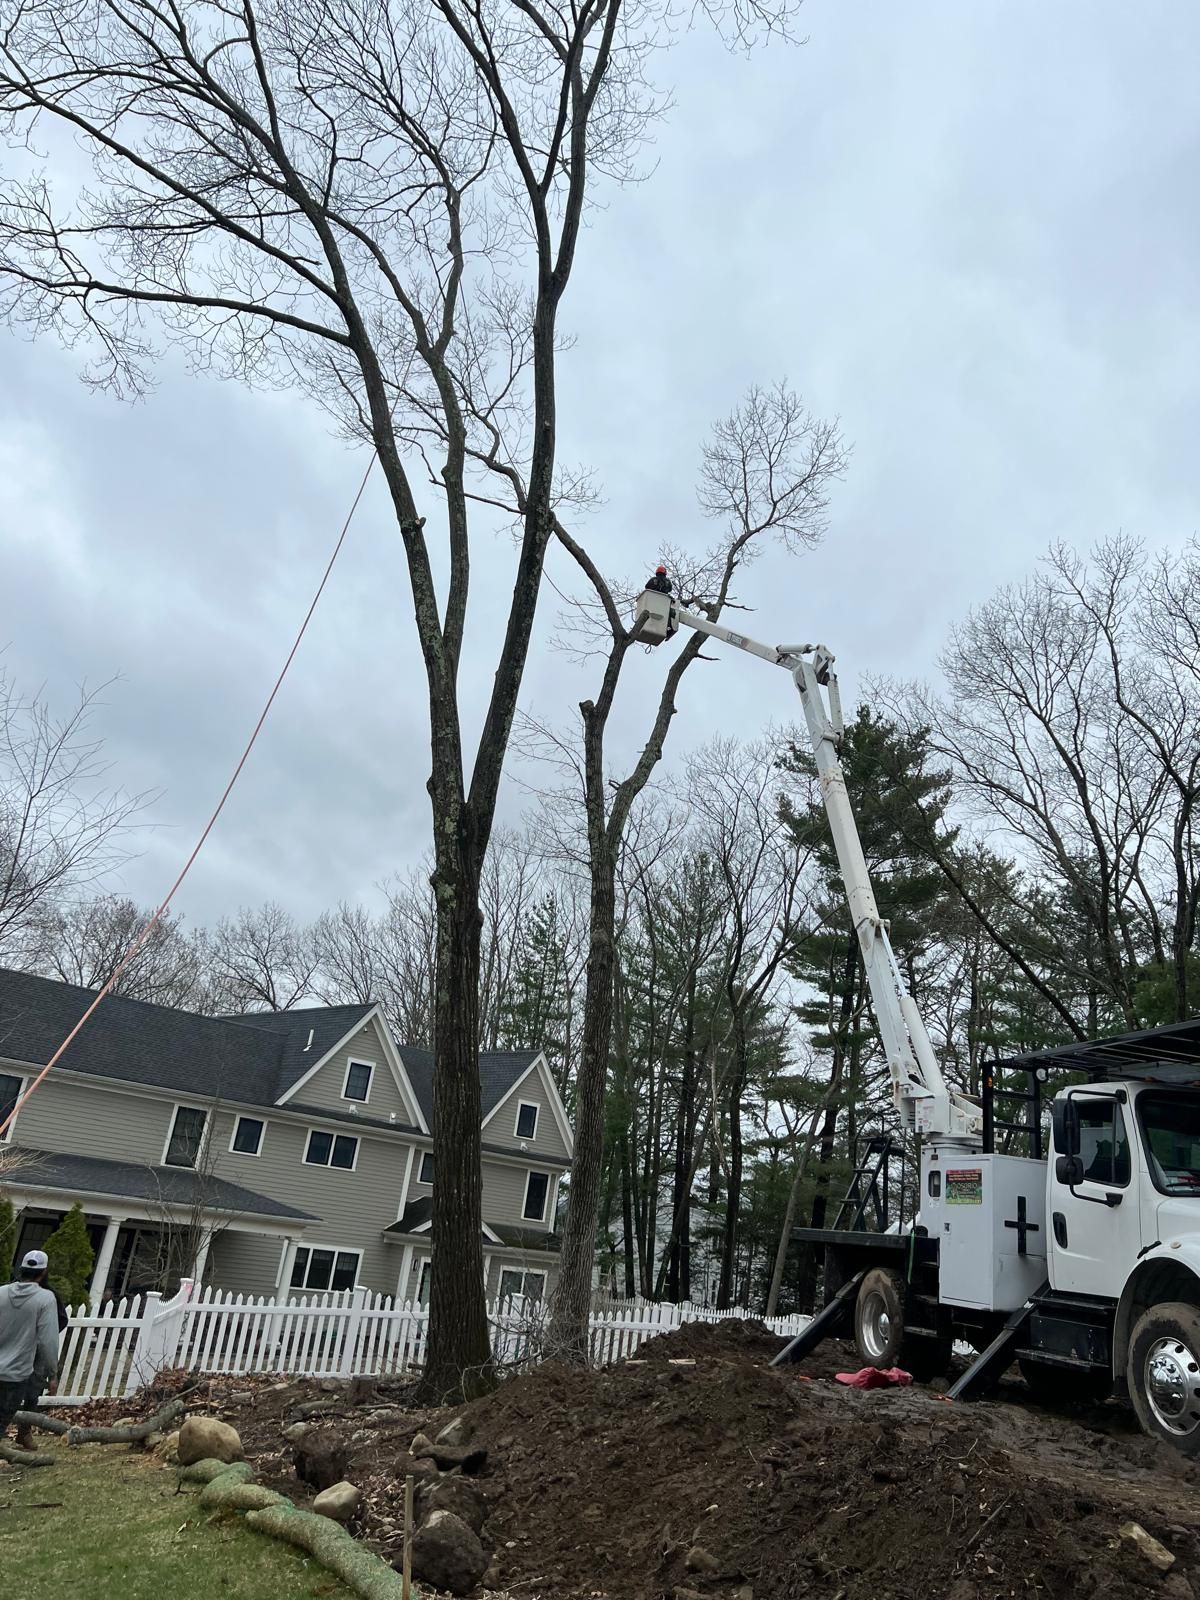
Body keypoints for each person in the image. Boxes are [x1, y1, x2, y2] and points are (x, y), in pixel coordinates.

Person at [0, 1250, 60, 1449]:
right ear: (43, 1273)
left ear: (21, 1269)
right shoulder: (45, 1299)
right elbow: (48, 1340)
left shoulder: (1, 1292)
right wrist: (52, 1374)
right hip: (15, 1376)